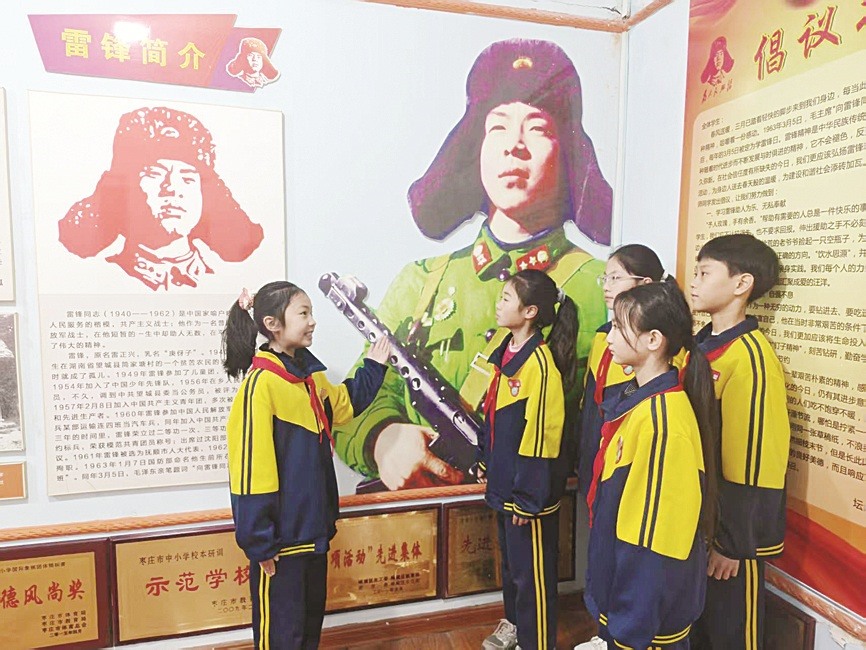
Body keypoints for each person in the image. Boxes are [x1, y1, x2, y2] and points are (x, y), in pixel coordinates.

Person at [333, 38, 610, 490]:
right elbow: (355, 402)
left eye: (538, 128)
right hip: (426, 518)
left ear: (567, 152)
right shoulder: (421, 282)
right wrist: (384, 439)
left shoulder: (600, 288)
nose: (514, 146)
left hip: (540, 510)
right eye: (497, 127)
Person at [222, 281, 390, 650]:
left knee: (308, 628)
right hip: (280, 543)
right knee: (282, 636)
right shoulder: (260, 387)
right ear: (272, 324)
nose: (312, 321)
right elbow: (251, 473)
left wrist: (374, 367)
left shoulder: (309, 378)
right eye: (303, 313)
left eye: (311, 312)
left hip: (313, 533)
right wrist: (260, 543)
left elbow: (344, 404)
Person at [584, 282, 721, 650]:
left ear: (653, 340)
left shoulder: (662, 423)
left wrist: (630, 625)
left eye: (619, 327)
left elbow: (653, 545)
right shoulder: (638, 401)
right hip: (626, 604)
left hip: (643, 621)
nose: (609, 337)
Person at [689, 234, 790, 650]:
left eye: (704, 273)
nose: (693, 282)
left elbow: (754, 460)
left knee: (733, 633)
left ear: (741, 283)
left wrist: (733, 542)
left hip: (731, 535)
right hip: (700, 521)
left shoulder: (750, 358)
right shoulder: (702, 345)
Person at [58, 106, 264, 290]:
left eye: (188, 178)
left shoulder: (220, 277)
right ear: (125, 190)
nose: (172, 189)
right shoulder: (102, 276)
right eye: (155, 174)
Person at [477, 269, 576, 650]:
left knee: (532, 575)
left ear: (530, 311)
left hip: (527, 496)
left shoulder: (541, 365)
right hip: (505, 485)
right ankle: (515, 626)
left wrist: (528, 498)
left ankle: (537, 642)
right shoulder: (506, 354)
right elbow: (492, 415)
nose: (498, 304)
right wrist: (484, 459)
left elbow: (542, 439)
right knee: (512, 567)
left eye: (506, 298)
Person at [577, 244, 674, 496]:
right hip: (594, 455)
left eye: (616, 278)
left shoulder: (660, 347)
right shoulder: (602, 337)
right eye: (605, 278)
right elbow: (591, 403)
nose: (606, 286)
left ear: (645, 284)